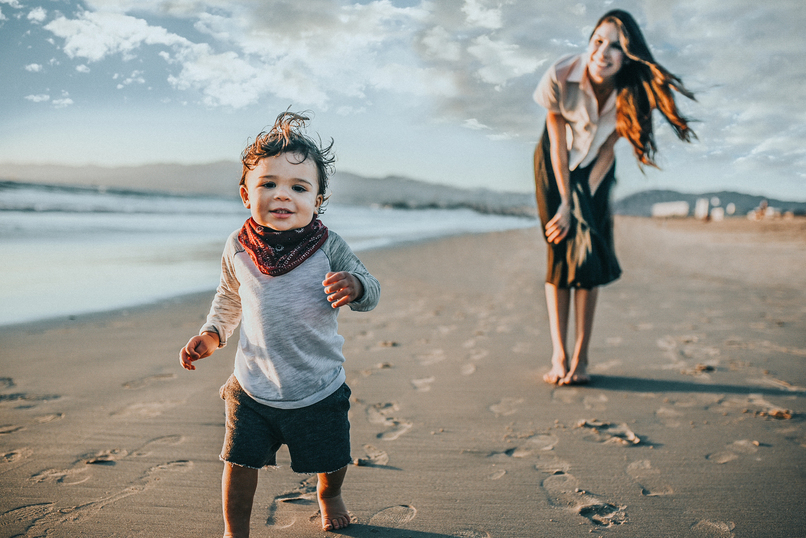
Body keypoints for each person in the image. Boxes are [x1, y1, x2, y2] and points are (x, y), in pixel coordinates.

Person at [179, 111, 380, 536]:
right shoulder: (238, 246)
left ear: (318, 200)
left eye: (298, 187)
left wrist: (356, 287)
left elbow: (371, 291)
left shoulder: (329, 246)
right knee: (238, 463)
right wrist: (211, 335)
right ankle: (236, 531)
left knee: (332, 458)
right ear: (245, 193)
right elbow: (230, 297)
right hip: (253, 385)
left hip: (317, 385)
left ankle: (329, 494)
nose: (282, 195)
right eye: (267, 184)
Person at [533, 9, 695, 385]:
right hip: (552, 165)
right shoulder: (560, 75)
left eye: (616, 46)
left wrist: (585, 202)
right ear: (589, 43)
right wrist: (566, 204)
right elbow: (557, 145)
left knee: (588, 255)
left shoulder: (632, 94)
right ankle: (559, 355)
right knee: (560, 253)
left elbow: (606, 151)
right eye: (598, 41)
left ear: (628, 56)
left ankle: (582, 358)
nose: (603, 52)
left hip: (595, 170)